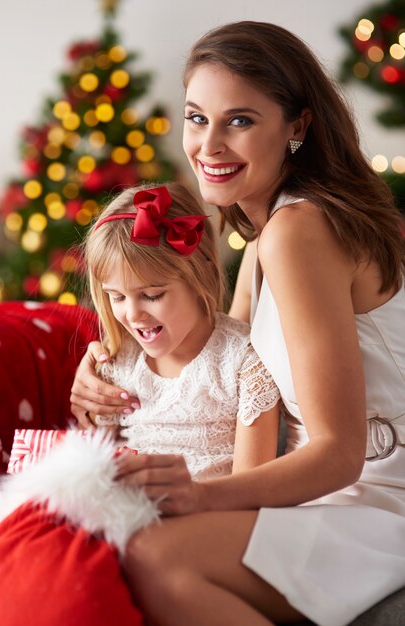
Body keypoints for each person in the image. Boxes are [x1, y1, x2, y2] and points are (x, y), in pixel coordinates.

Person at [70, 21, 405, 626]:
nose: (209, 145)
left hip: (378, 499)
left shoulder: (297, 232)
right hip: (324, 494)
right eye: (197, 118)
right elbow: (213, 359)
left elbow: (340, 453)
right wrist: (98, 368)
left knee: (153, 558)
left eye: (240, 121)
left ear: (297, 127)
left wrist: (197, 496)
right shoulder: (260, 244)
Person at [83, 181, 280, 482]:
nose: (133, 315)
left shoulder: (244, 364)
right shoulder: (119, 361)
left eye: (152, 295)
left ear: (201, 272)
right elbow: (93, 465)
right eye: (118, 297)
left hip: (210, 519)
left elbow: (250, 489)